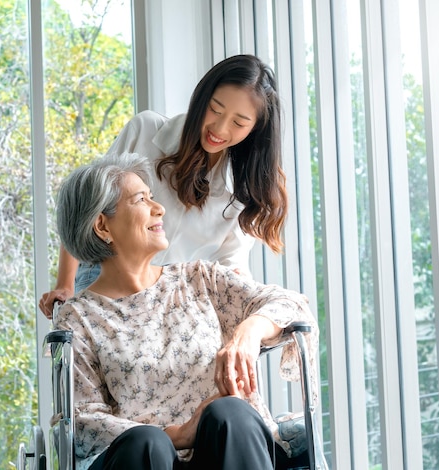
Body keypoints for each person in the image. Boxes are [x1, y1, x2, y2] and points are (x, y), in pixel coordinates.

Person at [53, 153, 318, 470]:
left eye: (153, 197)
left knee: (230, 412)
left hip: (226, 451)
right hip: (143, 459)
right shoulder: (79, 317)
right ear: (102, 224)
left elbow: (294, 306)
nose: (159, 208)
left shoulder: (200, 279)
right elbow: (80, 421)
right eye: (141, 200)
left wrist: (248, 334)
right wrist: (174, 434)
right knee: (147, 443)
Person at [39, 54, 288, 318]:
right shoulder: (146, 130)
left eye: (239, 123)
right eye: (215, 108)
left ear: (254, 129)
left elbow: (231, 263)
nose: (220, 127)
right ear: (202, 97)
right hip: (105, 279)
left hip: (172, 305)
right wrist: (65, 285)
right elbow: (87, 204)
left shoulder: (243, 190)